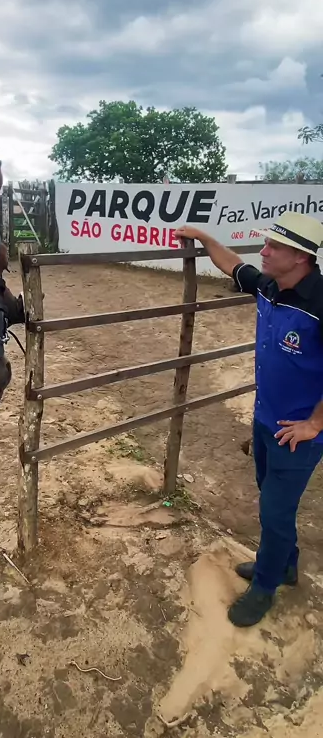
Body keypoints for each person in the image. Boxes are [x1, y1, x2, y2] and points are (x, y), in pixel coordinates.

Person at [175, 211, 323, 627]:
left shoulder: (320, 302)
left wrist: (315, 424)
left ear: (300, 257)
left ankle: (264, 585)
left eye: (274, 246)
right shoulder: (270, 285)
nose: (264, 251)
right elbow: (232, 265)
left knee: (275, 511)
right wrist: (203, 237)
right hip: (265, 420)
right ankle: (285, 564)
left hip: (299, 434)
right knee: (271, 498)